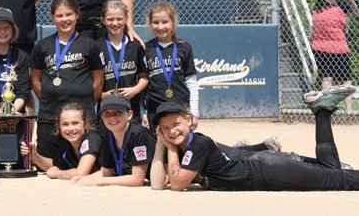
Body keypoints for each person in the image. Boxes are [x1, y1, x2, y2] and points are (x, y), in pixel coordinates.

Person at [151, 86, 359, 191]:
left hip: (268, 171)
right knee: (333, 171)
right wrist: (162, 143)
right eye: (165, 128)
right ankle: (322, 111)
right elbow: (158, 184)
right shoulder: (186, 147)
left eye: (176, 125)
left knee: (335, 179)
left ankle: (322, 110)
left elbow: (177, 185)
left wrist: (168, 146)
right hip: (266, 164)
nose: (172, 132)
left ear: (188, 120)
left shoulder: (197, 144)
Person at [31, 0, 105, 158]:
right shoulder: (42, 46)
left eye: (69, 14)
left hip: (83, 114)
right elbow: (35, 79)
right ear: (52, 17)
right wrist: (49, 97)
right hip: (49, 115)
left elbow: (99, 80)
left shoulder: (90, 45)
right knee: (46, 162)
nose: (65, 19)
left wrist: (85, 100)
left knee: (86, 159)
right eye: (59, 15)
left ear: (77, 15)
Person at [71, 96, 155, 187]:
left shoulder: (139, 134)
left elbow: (137, 180)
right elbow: (106, 172)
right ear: (102, 117)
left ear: (130, 115)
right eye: (107, 114)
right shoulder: (107, 134)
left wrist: (98, 182)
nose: (112, 118)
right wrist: (83, 178)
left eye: (118, 112)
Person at [144, 0, 199, 130]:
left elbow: (191, 82)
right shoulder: (146, 49)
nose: (160, 26)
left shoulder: (184, 48)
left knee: (180, 143)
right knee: (158, 145)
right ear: (150, 24)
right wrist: (143, 114)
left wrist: (195, 113)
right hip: (155, 109)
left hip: (180, 106)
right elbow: (143, 82)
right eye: (156, 22)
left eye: (165, 22)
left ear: (173, 22)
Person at [21, 102, 103, 179]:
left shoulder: (92, 139)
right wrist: (34, 155)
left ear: (85, 124)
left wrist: (57, 173)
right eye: (65, 124)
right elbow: (53, 166)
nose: (70, 128)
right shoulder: (66, 145)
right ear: (59, 127)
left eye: (75, 123)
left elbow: (81, 173)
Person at [98, 0, 148, 122]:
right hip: (107, 107)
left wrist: (134, 90)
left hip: (131, 107)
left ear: (126, 18)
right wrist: (101, 95)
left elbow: (144, 77)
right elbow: (91, 80)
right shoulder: (96, 46)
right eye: (110, 19)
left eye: (119, 19)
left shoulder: (135, 46)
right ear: (103, 20)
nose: (115, 23)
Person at [310, 0, 353, 111]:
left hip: (320, 48)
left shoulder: (316, 12)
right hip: (338, 48)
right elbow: (346, 28)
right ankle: (349, 111)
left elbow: (313, 31)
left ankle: (326, 109)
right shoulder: (337, 10)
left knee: (327, 78)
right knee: (346, 80)